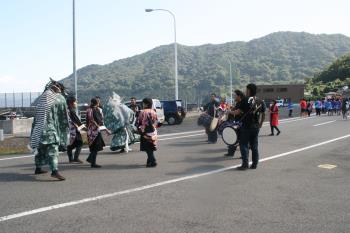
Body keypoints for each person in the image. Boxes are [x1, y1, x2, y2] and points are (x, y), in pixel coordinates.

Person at [30, 79, 68, 181]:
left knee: (40, 149)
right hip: (50, 129)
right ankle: (54, 171)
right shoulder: (59, 98)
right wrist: (64, 133)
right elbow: (63, 117)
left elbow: (36, 117)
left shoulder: (42, 97)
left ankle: (38, 168)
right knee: (53, 149)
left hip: (38, 128)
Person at [231, 83, 266, 170]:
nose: (245, 91)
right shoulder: (260, 101)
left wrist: (229, 112)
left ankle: (245, 164)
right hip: (256, 127)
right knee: (254, 145)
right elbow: (263, 113)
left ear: (249, 90)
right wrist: (260, 123)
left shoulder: (245, 100)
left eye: (246, 89)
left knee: (243, 145)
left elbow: (237, 112)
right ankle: (254, 164)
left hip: (246, 126)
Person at [86, 98, 110, 168]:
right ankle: (93, 163)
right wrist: (106, 129)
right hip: (95, 132)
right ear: (97, 103)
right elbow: (98, 121)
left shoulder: (88, 110)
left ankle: (90, 159)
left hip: (90, 131)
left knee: (94, 147)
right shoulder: (95, 110)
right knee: (95, 148)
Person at [138, 98, 158, 167]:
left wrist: (140, 131)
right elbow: (156, 122)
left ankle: (153, 160)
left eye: (143, 103)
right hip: (153, 132)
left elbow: (140, 123)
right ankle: (149, 162)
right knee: (151, 147)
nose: (142, 104)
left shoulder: (142, 112)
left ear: (146, 104)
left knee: (147, 148)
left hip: (145, 132)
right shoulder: (153, 112)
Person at [225, 90, 244, 157]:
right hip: (236, 122)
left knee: (241, 140)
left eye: (235, 95)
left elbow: (237, 112)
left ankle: (243, 155)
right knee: (233, 137)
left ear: (239, 96)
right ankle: (230, 153)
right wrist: (232, 109)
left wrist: (230, 112)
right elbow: (235, 110)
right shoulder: (237, 103)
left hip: (241, 123)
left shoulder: (242, 103)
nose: (233, 96)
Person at [66, 96, 84, 163]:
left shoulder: (67, 110)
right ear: (71, 103)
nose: (76, 103)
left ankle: (71, 158)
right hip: (74, 130)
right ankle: (76, 158)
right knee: (80, 143)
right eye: (75, 102)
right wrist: (84, 128)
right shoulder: (71, 111)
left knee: (72, 145)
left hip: (70, 130)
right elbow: (77, 121)